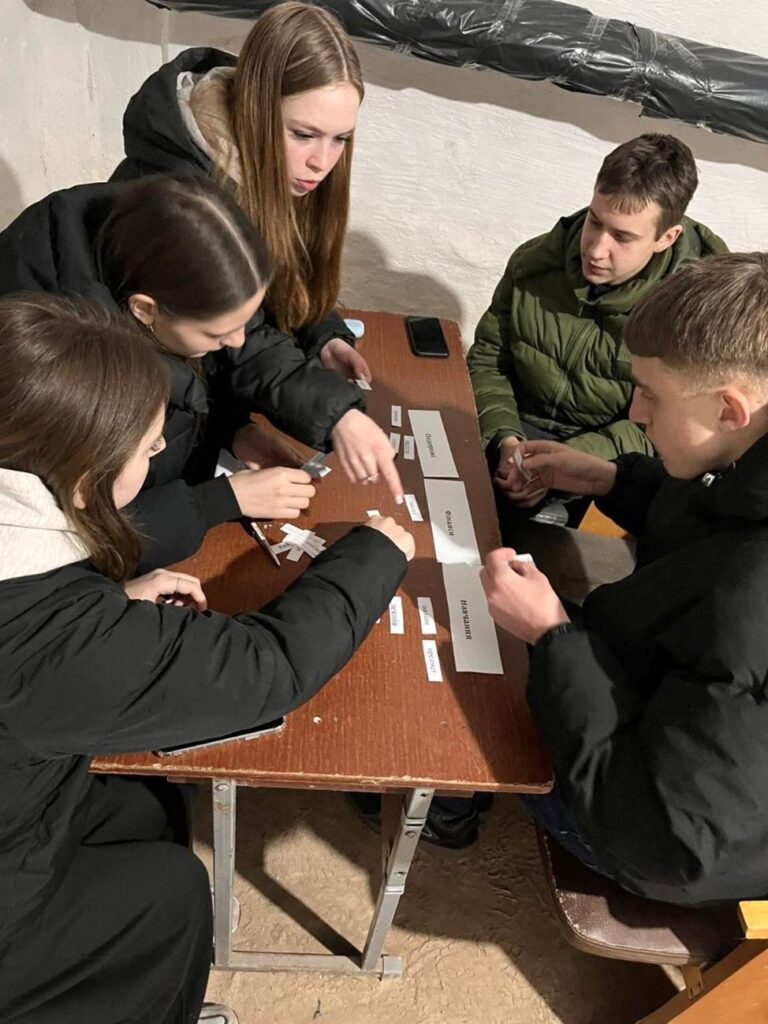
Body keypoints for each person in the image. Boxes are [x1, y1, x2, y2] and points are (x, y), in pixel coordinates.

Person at [0, 292, 414, 1023]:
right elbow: (267, 669)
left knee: (150, 799)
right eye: (147, 447)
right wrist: (378, 552)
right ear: (86, 486)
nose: (160, 451)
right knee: (173, 893)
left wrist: (107, 597)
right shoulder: (51, 637)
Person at [481, 252, 768, 905]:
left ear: (730, 408)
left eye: (652, 395)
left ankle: (450, 807)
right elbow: (718, 515)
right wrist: (613, 480)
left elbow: (665, 841)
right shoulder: (746, 448)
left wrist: (553, 637)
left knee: (484, 676)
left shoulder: (749, 601)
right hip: (671, 724)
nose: (636, 413)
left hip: (650, 837)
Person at [0, 173, 403, 571]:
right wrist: (221, 500)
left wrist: (232, 431)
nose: (239, 341)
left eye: (247, 321)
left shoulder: (157, 267)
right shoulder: (58, 372)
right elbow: (77, 540)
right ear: (144, 310)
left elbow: (191, 379)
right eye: (217, 333)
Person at [468, 133, 728, 527]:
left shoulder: (694, 316)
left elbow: (661, 427)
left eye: (622, 237)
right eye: (595, 221)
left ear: (666, 238)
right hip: (506, 430)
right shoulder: (535, 263)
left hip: (603, 461)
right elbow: (490, 359)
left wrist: (567, 464)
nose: (595, 249)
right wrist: (504, 438)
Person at [112, 1, 372, 387]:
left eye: (341, 139)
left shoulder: (282, 171)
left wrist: (324, 337)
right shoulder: (178, 188)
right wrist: (327, 407)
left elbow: (280, 280)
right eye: (303, 134)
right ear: (255, 109)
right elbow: (227, 337)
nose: (322, 162)